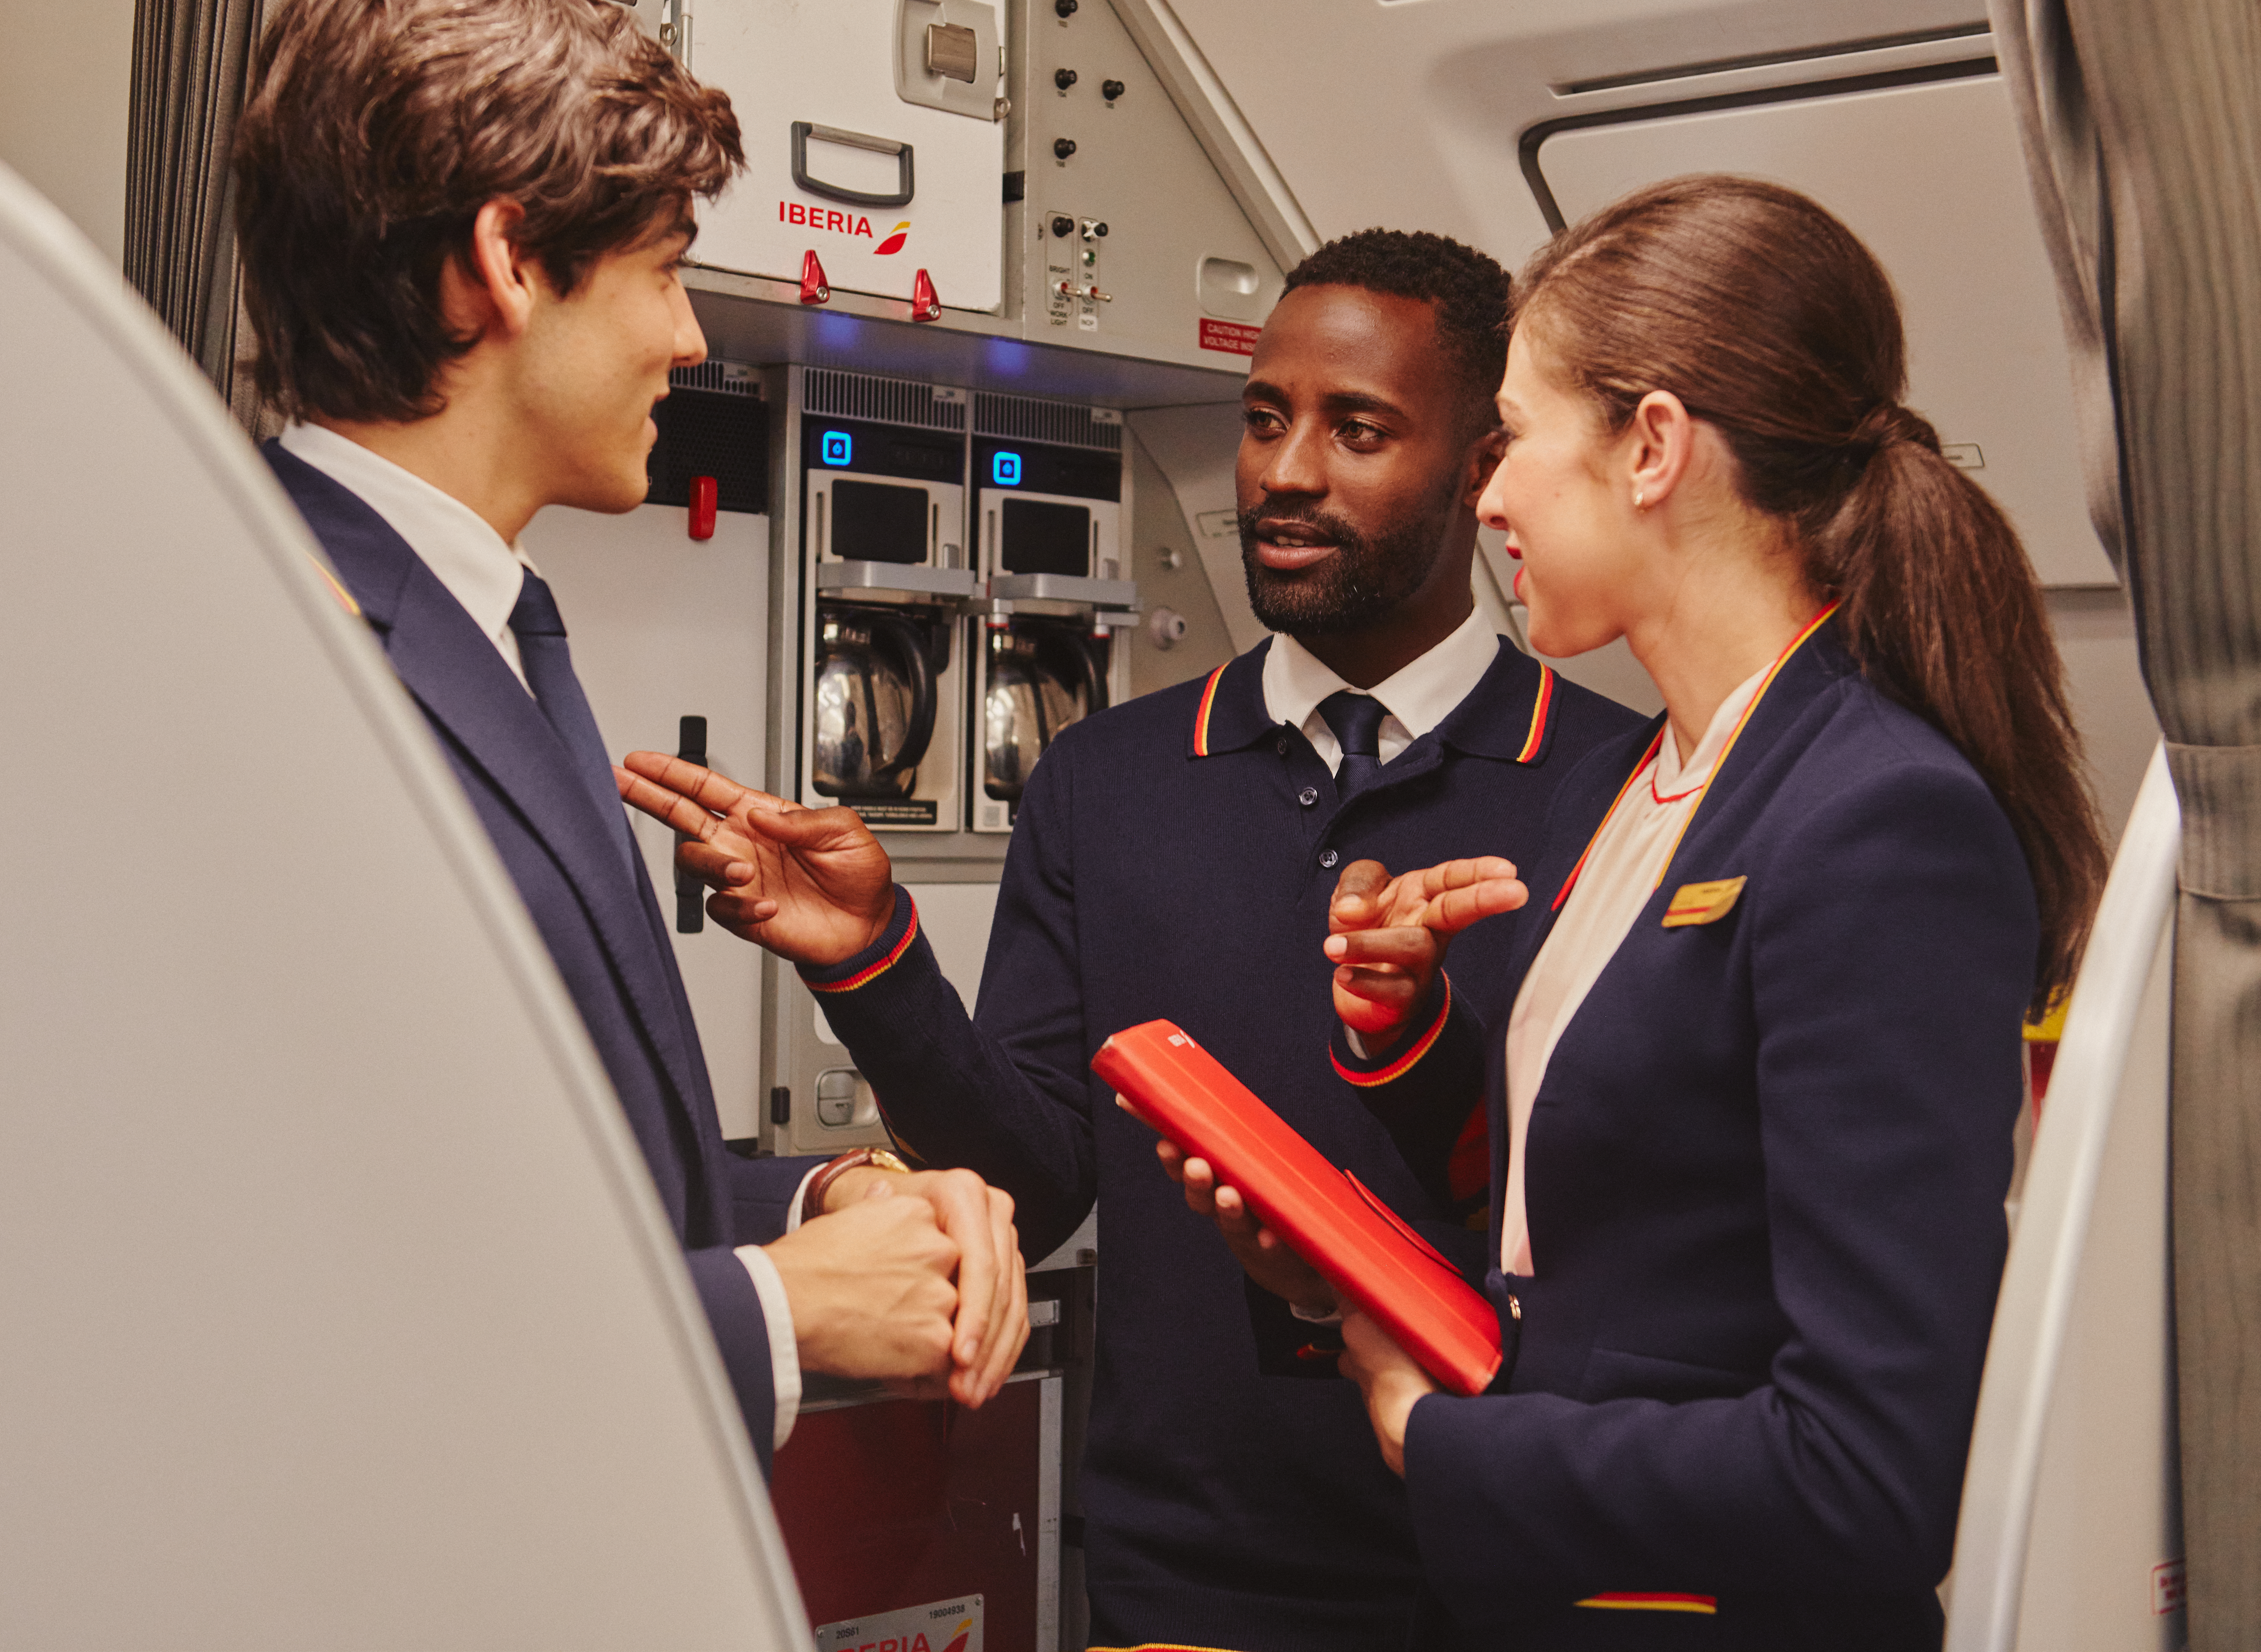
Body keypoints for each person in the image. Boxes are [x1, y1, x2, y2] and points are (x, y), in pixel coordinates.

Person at [622, 230, 1646, 1649]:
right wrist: (870, 961)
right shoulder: (1108, 780)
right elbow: (1034, 1186)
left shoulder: (1618, 787)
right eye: (1267, 418)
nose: (1286, 473)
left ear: (1483, 470)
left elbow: (1636, 1225)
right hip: (1191, 1592)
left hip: (1512, 1574)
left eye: (1359, 430)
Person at [1167, 175, 2110, 1649]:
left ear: (1651, 446)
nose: (1485, 497)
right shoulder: (1671, 782)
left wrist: (1447, 1439)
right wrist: (1356, 1266)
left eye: (1520, 439)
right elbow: (1628, 1235)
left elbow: (1864, 1471)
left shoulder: (1874, 818)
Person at [227, 0, 1028, 1476]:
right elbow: (283, 1298)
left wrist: (829, 1201)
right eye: (663, 269)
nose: (690, 340)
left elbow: (562, 1196)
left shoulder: (490, 632)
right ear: (507, 260)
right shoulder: (270, 651)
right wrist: (773, 1313)